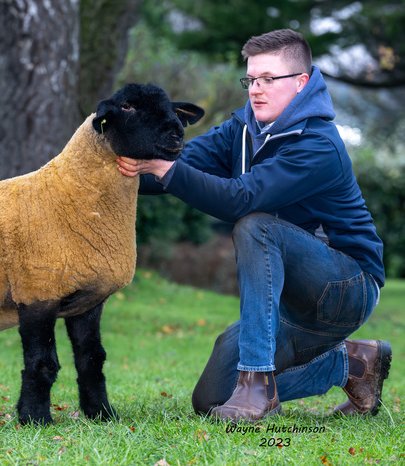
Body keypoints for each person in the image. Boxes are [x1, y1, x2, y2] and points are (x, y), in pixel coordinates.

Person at [116, 29, 390, 422]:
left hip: (345, 287)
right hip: (288, 300)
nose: (256, 90)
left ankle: (256, 384)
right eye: (251, 79)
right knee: (211, 400)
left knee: (254, 225)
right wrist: (115, 173)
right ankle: (351, 365)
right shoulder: (242, 130)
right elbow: (183, 165)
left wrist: (165, 169)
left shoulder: (318, 145)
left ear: (301, 82)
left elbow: (238, 199)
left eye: (268, 80)